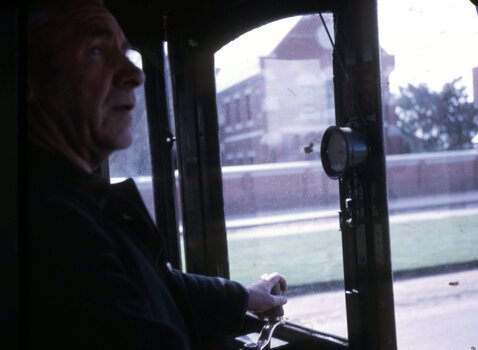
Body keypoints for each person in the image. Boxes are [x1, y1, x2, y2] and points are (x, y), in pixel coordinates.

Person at [26, 1, 287, 349]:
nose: (135, 75)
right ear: (28, 81)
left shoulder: (66, 199)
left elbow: (153, 282)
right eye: (96, 50)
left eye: (124, 51)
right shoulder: (54, 226)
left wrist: (243, 296)